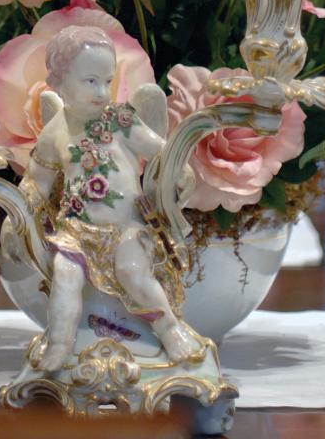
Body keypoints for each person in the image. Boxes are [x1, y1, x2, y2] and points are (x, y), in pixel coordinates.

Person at [24, 24, 205, 372]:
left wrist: (179, 170)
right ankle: (60, 343)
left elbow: (159, 151)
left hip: (128, 227)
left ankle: (170, 329)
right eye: (90, 81)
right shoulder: (55, 131)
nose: (102, 92)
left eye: (107, 81)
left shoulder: (121, 121)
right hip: (76, 231)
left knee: (133, 271)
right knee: (64, 275)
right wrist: (19, 213)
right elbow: (38, 181)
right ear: (60, 81)